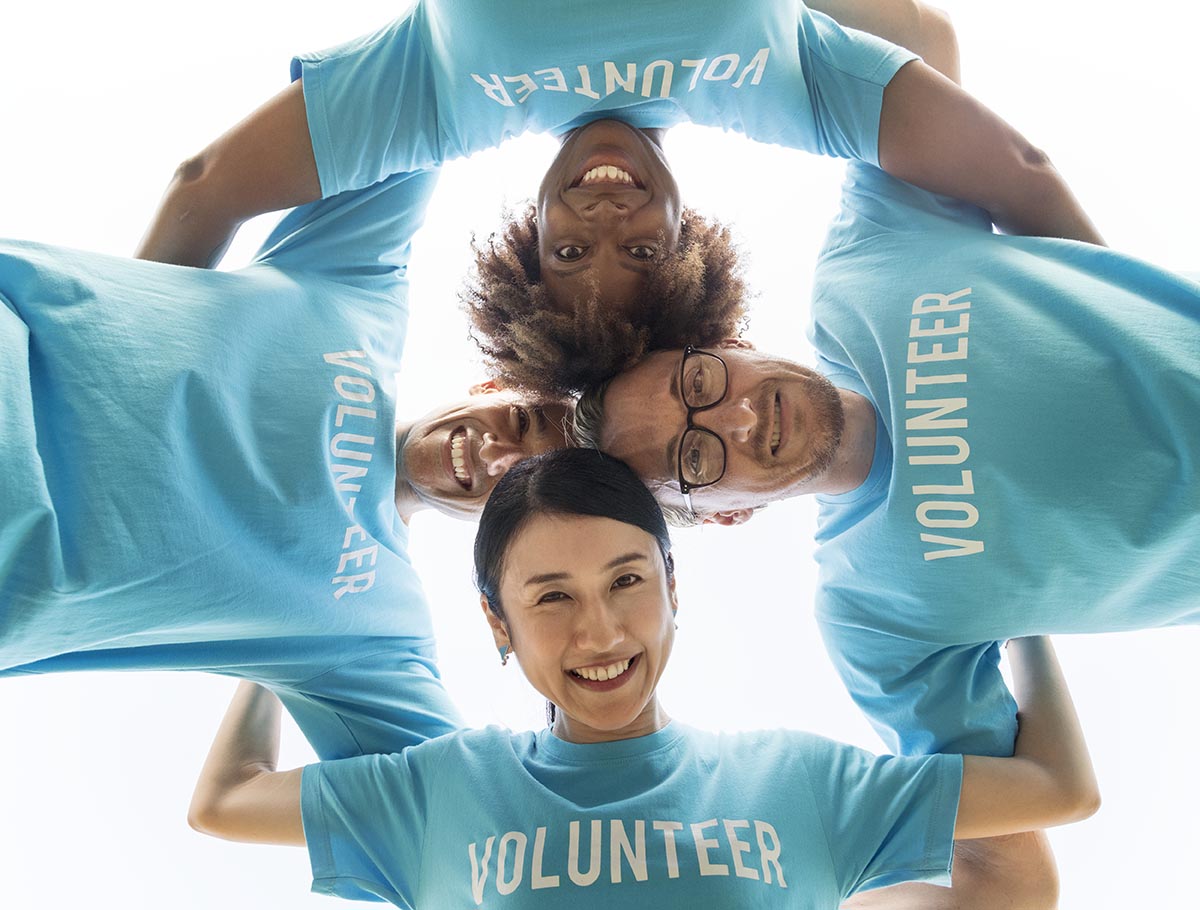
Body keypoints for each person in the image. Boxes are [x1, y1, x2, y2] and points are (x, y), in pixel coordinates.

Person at [571, 10, 1199, 907]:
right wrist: (1018, 617)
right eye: (698, 460)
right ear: (723, 514)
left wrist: (1090, 280)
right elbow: (1007, 883)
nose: (741, 419)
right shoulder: (875, 618)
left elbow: (919, 44)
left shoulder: (866, 267)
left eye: (705, 381)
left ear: (727, 339)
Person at [186, 448, 1099, 908]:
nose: (601, 630)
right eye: (550, 598)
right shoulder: (437, 789)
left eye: (627, 581)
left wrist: (1013, 614)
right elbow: (224, 802)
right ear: (496, 624)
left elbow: (1055, 800)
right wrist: (295, 616)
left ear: (673, 587)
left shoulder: (794, 782)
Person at [139, 0, 1101, 397]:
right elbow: (1009, 161)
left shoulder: (430, 106)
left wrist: (126, 394)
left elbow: (202, 193)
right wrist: (1114, 354)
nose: (606, 226)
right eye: (644, 254)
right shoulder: (792, 89)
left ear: (529, 233)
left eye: (568, 254)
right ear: (693, 236)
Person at [2, 160, 570, 760]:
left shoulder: (379, 628)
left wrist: (285, 657)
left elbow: (462, 796)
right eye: (519, 421)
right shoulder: (362, 287)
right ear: (493, 386)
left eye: (523, 479)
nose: (496, 455)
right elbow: (425, 107)